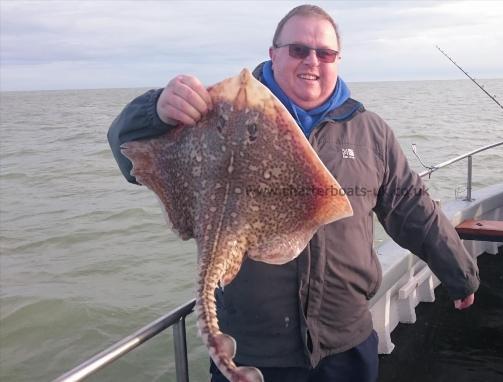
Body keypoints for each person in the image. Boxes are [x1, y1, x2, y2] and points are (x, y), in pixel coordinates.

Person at [107, 4, 479, 382]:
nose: (312, 61)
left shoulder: (369, 131)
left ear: (338, 60)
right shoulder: (213, 116)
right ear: (273, 54)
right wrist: (155, 110)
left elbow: (410, 206)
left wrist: (459, 273)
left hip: (345, 342)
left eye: (325, 53)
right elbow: (131, 154)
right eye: (298, 50)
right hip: (257, 346)